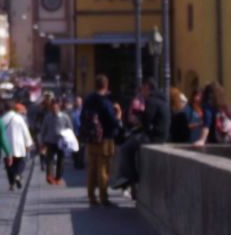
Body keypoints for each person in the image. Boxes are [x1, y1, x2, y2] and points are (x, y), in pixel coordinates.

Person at [112, 77, 170, 193]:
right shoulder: (162, 100)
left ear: (147, 87)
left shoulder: (151, 101)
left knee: (126, 147)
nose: (141, 91)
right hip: (161, 136)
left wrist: (136, 119)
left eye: (142, 88)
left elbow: (147, 121)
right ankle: (127, 178)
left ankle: (130, 176)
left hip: (153, 137)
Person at [81, 74, 120, 206]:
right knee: (103, 169)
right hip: (105, 140)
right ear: (106, 85)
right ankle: (104, 197)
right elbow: (112, 121)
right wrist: (118, 115)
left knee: (92, 168)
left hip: (91, 139)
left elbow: (82, 118)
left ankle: (91, 197)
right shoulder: (105, 102)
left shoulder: (88, 100)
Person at [39, 98, 72, 185]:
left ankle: (58, 177)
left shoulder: (65, 117)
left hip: (61, 142)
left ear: (59, 107)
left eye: (55, 108)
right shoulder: (48, 117)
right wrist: (42, 142)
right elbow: (43, 129)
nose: (54, 110)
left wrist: (69, 139)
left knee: (60, 160)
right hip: (50, 141)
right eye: (52, 108)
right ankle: (49, 176)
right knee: (49, 159)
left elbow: (70, 128)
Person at [2, 102, 32, 191]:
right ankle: (18, 174)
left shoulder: (3, 119)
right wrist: (28, 143)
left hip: (7, 145)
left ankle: (11, 184)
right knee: (20, 162)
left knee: (9, 165)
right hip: (19, 145)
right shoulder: (19, 118)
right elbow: (25, 131)